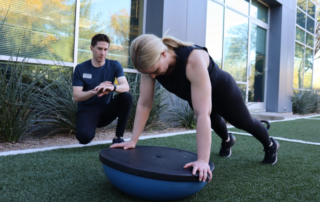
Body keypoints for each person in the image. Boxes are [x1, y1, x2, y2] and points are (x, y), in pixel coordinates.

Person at [110, 34, 280, 182]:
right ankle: (228, 140)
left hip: (223, 91)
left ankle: (270, 145)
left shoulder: (193, 59)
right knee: (216, 123)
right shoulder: (149, 66)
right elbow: (145, 103)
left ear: (163, 54)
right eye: (149, 73)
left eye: (154, 71)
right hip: (195, 93)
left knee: (244, 122)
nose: (153, 76)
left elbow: (202, 114)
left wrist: (203, 160)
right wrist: (133, 140)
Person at [72, 34, 132, 145]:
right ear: (91, 48)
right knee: (84, 138)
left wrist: (112, 87)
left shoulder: (114, 65)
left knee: (126, 96)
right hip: (87, 111)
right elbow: (76, 96)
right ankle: (88, 128)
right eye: (99, 48)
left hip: (106, 110)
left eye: (105, 49)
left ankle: (118, 137)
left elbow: (125, 87)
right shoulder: (81, 68)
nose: (102, 53)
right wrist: (96, 91)